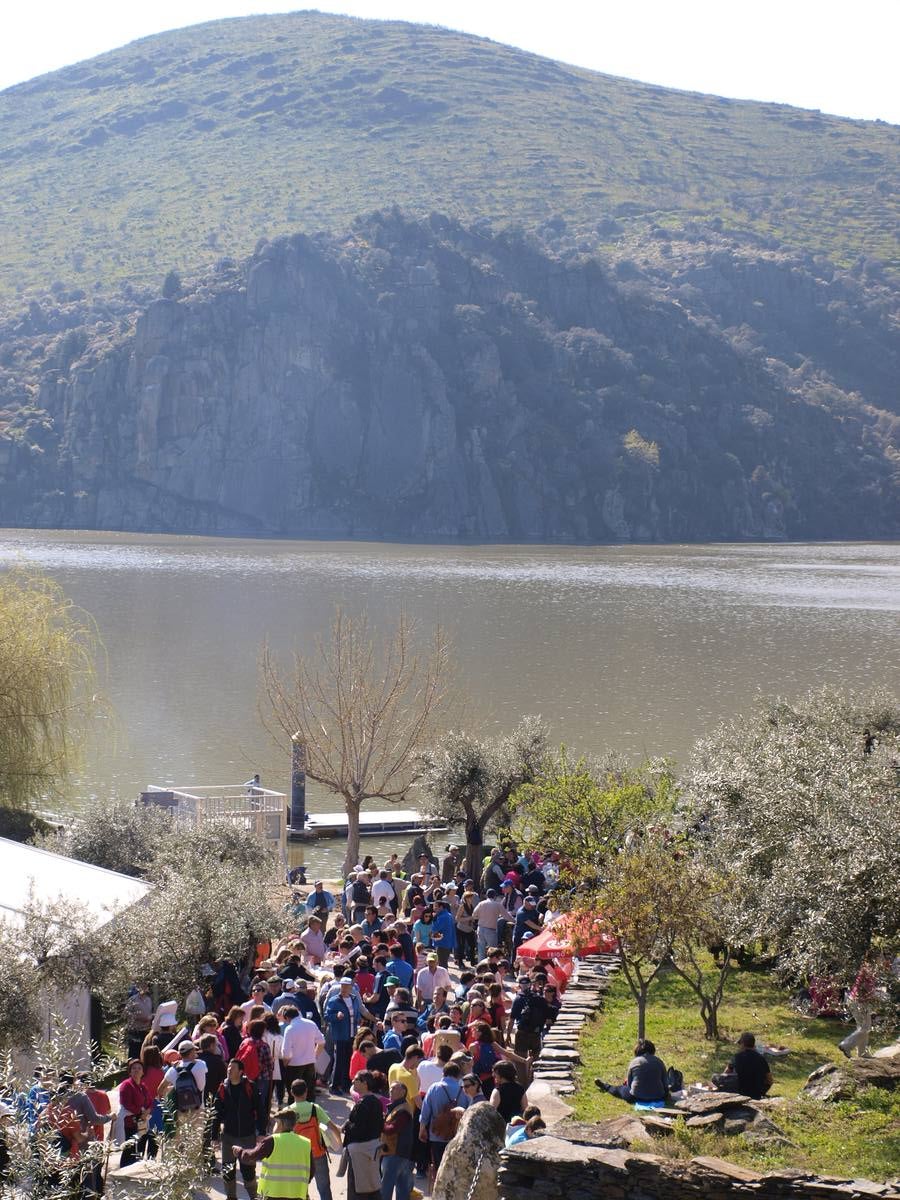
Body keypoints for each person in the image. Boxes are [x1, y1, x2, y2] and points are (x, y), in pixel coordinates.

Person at [236, 1106, 312, 1199]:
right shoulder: (306, 1143)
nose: (274, 1126)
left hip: (273, 1194)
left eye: (276, 1123)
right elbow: (311, 1171)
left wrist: (239, 1151)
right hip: (298, 1194)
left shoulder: (272, 1141)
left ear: (281, 1124)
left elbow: (252, 1156)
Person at [214, 1058, 260, 1200]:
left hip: (247, 1137)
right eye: (228, 1067)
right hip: (228, 1137)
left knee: (248, 1173)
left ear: (240, 1072)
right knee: (228, 1171)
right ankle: (231, 1197)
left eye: (233, 1068)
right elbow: (216, 1113)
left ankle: (254, 1197)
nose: (229, 1070)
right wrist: (214, 1136)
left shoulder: (250, 1087)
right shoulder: (223, 1088)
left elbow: (260, 1110)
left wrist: (262, 1132)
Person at [289, 1078, 340, 1200]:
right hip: (317, 1153)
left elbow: (276, 1133)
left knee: (301, 1189)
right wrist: (339, 1142)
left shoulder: (288, 1111)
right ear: (306, 1091)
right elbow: (332, 1127)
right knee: (324, 1188)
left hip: (298, 1156)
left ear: (291, 1093)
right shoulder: (315, 1108)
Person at [343, 1070, 384, 1200]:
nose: (353, 1082)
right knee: (372, 1186)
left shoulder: (363, 1104)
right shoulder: (376, 1102)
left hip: (359, 1153)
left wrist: (347, 1126)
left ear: (365, 1083)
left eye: (356, 1080)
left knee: (358, 1188)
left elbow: (359, 1130)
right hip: (373, 1150)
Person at [595, 1038, 669, 1105]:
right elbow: (665, 1082)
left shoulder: (634, 1062)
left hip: (636, 1097)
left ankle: (606, 1086)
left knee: (619, 1089)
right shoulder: (659, 1062)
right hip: (658, 1097)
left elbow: (629, 1084)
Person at [380, 1079, 415, 1200]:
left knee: (386, 1188)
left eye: (394, 1088)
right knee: (402, 1188)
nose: (390, 1090)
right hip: (399, 1153)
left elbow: (392, 1129)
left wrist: (379, 1123)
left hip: (395, 1153)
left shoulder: (403, 1110)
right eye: (390, 1088)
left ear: (403, 1091)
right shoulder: (398, 1107)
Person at [281, 1006, 325, 1102]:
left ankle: (294, 1114)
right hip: (310, 1064)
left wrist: (284, 1064)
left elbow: (286, 1052)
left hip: (294, 1065)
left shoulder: (290, 1028)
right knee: (309, 1093)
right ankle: (310, 1114)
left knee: (293, 1094)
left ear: (287, 1018)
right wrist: (315, 1055)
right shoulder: (311, 1024)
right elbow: (321, 1042)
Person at [712, 1032, 773, 1099]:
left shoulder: (737, 1057)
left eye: (740, 1044)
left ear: (743, 1044)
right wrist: (762, 1091)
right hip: (756, 1093)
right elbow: (770, 1080)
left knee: (715, 1077)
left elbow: (726, 1073)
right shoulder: (761, 1059)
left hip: (740, 1091)